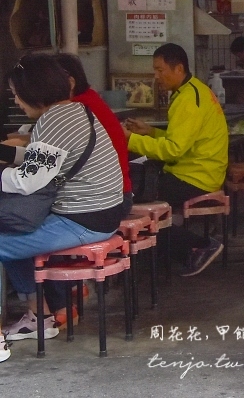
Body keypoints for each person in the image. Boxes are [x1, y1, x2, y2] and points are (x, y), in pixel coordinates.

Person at [0, 54, 124, 356]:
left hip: (83, 221)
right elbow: (43, 162)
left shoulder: (53, 121)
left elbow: (30, 180)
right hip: (99, 214)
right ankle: (39, 317)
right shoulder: (74, 110)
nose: (15, 101)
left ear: (33, 91)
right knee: (11, 230)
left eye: (15, 93)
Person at [123, 43, 229, 277]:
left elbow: (173, 150)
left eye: (160, 70)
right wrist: (150, 132)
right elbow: (181, 141)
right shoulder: (192, 91)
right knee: (141, 195)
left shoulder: (188, 100)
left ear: (178, 68)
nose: (156, 76)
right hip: (198, 169)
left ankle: (197, 247)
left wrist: (130, 140)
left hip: (195, 177)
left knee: (136, 205)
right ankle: (175, 250)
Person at [53, 54, 133, 214]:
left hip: (105, 203)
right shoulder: (89, 98)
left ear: (70, 82)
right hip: (117, 196)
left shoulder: (76, 109)